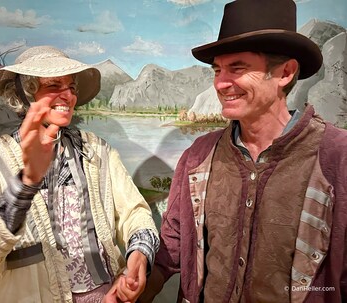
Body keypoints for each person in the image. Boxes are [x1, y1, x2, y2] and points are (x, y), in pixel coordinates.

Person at [138, 0, 347, 302]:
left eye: (237, 68)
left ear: (286, 72)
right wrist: (139, 281)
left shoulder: (337, 158)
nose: (221, 83)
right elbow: (172, 246)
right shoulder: (199, 156)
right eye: (218, 69)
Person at [0, 45, 159, 303]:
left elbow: (134, 211)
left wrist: (139, 255)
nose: (68, 96)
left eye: (71, 87)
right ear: (26, 94)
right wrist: (25, 184)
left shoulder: (95, 150)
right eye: (54, 85)